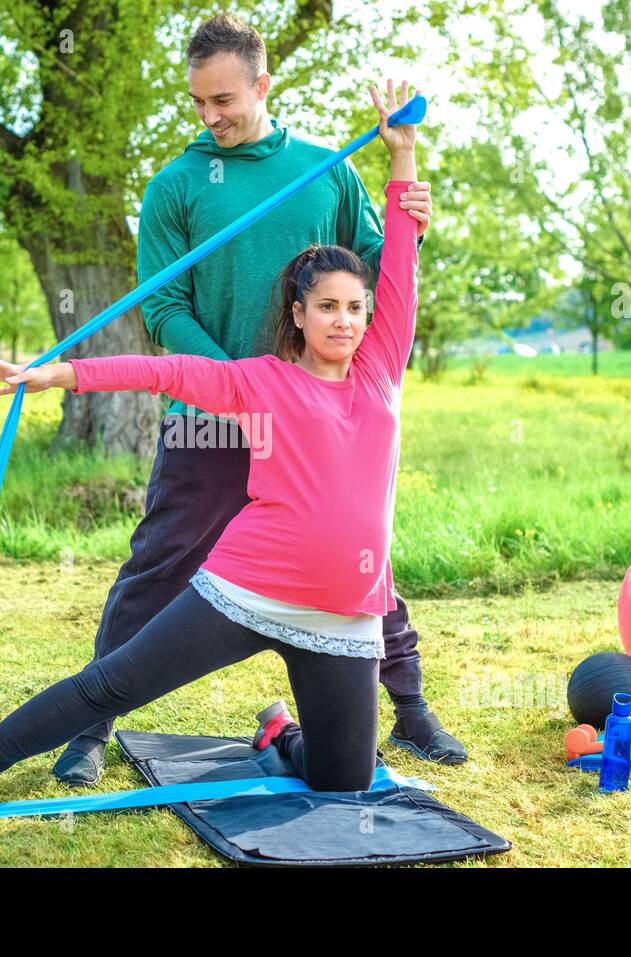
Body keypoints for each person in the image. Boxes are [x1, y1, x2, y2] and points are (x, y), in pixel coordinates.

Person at [0, 80, 430, 826]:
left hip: (344, 618)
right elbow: (161, 369)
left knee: (343, 782)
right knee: (112, 683)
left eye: (354, 307)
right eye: (326, 307)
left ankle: (280, 733)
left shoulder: (380, 373)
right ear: (299, 314)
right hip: (248, 591)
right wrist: (58, 373)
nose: (344, 320)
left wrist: (401, 151)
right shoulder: (260, 382)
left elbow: (400, 260)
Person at [49, 13, 465, 787]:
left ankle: (409, 709)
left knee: (360, 561)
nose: (211, 117)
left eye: (225, 100)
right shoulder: (175, 186)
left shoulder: (326, 170)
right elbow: (167, 310)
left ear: (262, 84)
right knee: (158, 566)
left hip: (316, 421)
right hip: (213, 420)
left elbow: (369, 272)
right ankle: (88, 726)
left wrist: (413, 224)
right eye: (199, 103)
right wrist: (245, 390)